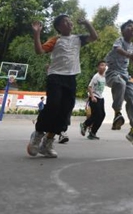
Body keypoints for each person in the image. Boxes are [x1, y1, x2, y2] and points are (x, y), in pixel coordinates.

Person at [27, 15, 98, 158]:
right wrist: (37, 34)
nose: (69, 22)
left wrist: (87, 22)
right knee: (53, 105)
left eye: (70, 20)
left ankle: (48, 142)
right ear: (59, 27)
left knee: (65, 110)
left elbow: (94, 36)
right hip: (55, 76)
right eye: (65, 21)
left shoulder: (78, 39)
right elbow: (39, 51)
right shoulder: (55, 40)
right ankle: (38, 134)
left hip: (71, 78)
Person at [104, 19, 133, 147]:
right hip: (113, 73)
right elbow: (119, 50)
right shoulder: (119, 40)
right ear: (123, 30)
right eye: (129, 27)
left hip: (126, 76)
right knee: (119, 83)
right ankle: (117, 113)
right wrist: (128, 54)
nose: (132, 28)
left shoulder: (132, 46)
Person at [80, 60, 107, 140]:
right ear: (98, 67)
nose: (103, 67)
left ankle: (93, 132)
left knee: (102, 115)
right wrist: (92, 97)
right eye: (102, 65)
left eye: (104, 65)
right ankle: (85, 125)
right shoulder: (96, 76)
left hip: (101, 98)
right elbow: (89, 87)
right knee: (96, 115)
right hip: (94, 97)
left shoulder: (104, 76)